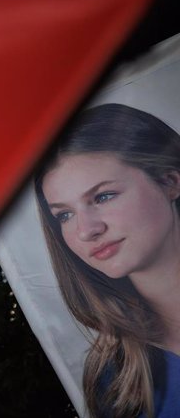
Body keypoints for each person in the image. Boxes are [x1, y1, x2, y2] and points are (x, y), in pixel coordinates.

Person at [33, 103, 180, 418]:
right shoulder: (114, 380)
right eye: (65, 215)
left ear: (169, 182)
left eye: (103, 197)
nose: (87, 230)